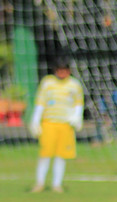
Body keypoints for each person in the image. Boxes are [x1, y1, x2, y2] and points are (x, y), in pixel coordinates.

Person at [28, 60, 84, 194]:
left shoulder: (74, 85)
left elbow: (78, 103)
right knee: (45, 154)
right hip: (49, 123)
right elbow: (40, 102)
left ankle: (56, 184)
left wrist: (77, 117)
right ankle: (39, 183)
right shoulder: (47, 83)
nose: (62, 73)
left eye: (64, 70)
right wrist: (35, 120)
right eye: (59, 70)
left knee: (61, 155)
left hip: (65, 125)